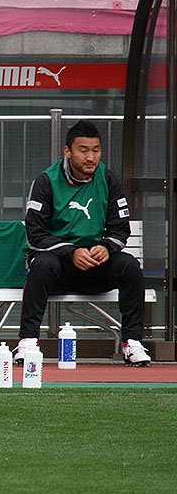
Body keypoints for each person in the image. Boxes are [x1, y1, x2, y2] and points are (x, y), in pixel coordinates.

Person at [14, 120, 151, 366]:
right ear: (67, 151)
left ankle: (132, 342)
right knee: (42, 265)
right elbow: (35, 234)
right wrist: (71, 252)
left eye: (96, 150)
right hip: (58, 268)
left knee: (129, 265)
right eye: (83, 150)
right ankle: (28, 341)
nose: (91, 157)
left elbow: (120, 228)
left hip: (94, 267)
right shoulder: (46, 181)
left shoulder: (108, 179)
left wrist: (106, 247)